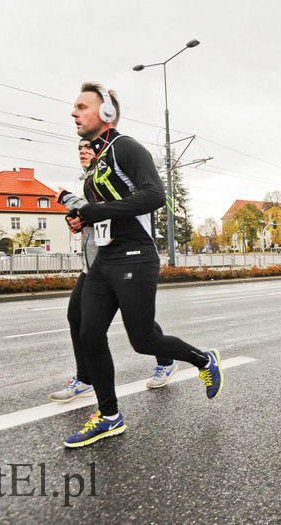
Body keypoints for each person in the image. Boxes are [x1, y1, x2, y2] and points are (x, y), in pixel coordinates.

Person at [61, 82, 222, 448]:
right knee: (88, 333)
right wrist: (82, 219)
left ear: (105, 113)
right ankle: (109, 416)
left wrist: (94, 210)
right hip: (105, 257)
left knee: (143, 339)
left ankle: (203, 359)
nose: (74, 113)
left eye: (82, 107)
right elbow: (102, 212)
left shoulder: (125, 147)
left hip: (135, 255)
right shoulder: (97, 161)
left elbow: (154, 196)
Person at [49, 139, 175, 403]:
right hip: (93, 261)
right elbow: (91, 212)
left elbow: (109, 208)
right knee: (77, 317)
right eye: (79, 148)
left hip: (120, 259)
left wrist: (70, 201)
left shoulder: (114, 178)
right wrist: (77, 218)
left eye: (88, 147)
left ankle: (167, 360)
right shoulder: (89, 182)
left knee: (139, 325)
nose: (83, 151)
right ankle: (85, 379)